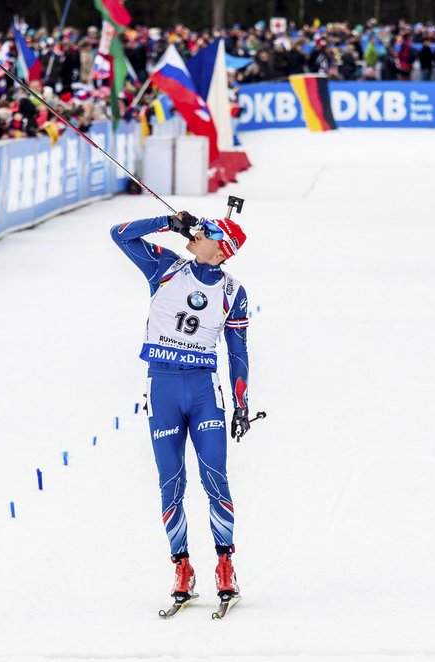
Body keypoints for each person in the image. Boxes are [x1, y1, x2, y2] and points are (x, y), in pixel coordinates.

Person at [110, 210, 252, 614]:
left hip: (205, 391)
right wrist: (167, 223)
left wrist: (242, 403)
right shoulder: (165, 267)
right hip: (164, 388)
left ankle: (225, 566)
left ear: (222, 249)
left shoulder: (233, 292)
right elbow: (120, 234)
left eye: (206, 231)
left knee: (214, 478)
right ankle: (182, 567)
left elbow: (238, 352)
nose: (196, 232)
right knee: (170, 482)